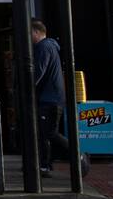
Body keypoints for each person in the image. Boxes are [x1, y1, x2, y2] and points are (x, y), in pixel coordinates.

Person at [31, 20, 89, 178]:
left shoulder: (43, 47)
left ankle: (79, 155)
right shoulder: (50, 46)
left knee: (49, 133)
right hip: (53, 97)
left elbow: (39, 72)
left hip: (49, 99)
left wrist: (27, 88)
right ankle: (45, 165)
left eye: (29, 33)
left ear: (35, 32)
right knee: (45, 134)